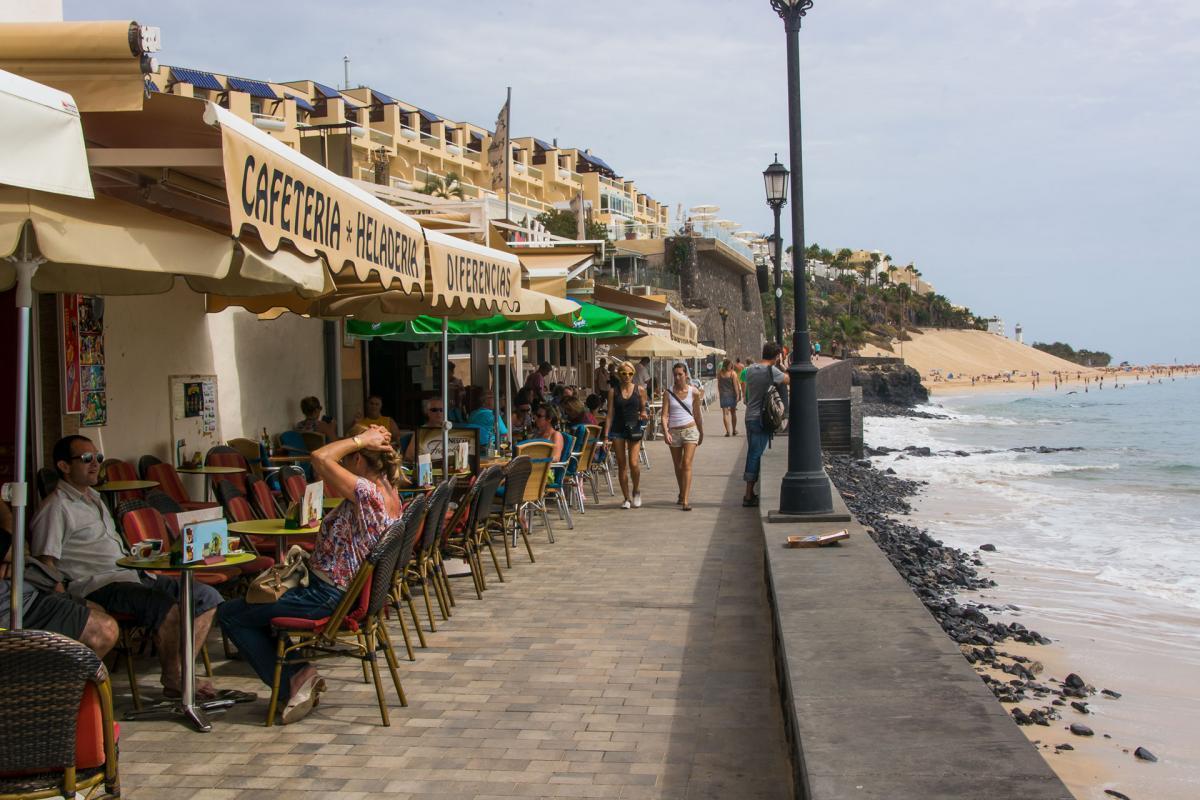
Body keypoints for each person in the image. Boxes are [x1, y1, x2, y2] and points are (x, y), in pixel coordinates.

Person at [217, 424, 402, 724]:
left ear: (357, 461)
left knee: (230, 614)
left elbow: (318, 457)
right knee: (259, 604)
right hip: (337, 591)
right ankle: (298, 672)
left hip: (327, 596)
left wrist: (359, 440)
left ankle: (292, 679)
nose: (341, 464)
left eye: (347, 458)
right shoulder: (390, 491)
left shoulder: (367, 492)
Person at [31, 435, 232, 701]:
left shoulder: (94, 498)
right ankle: (177, 680)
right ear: (64, 466)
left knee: (206, 598)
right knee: (168, 607)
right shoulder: (55, 508)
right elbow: (45, 564)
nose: (95, 465)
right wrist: (66, 601)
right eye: (86, 459)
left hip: (133, 573)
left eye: (98, 458)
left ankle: (179, 674)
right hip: (99, 585)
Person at [1, 499, 118, 657]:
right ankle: (54, 679)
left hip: (26, 591)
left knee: (98, 611)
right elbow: (19, 550)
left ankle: (57, 676)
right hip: (13, 607)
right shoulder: (57, 505)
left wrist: (14, 558)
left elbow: (21, 550)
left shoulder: (93, 498)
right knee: (104, 630)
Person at [742, 343, 790, 507]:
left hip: (749, 416)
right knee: (755, 454)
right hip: (761, 419)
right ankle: (748, 495)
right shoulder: (772, 371)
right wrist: (783, 365)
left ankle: (750, 492)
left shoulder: (750, 369)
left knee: (752, 452)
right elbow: (788, 379)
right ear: (776, 356)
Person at [602, 361, 649, 510]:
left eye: (630, 373)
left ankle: (636, 490)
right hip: (617, 429)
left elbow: (644, 409)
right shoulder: (613, 391)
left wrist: (643, 414)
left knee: (634, 463)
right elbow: (610, 414)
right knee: (622, 465)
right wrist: (606, 436)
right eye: (623, 373)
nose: (627, 376)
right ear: (618, 374)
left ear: (633, 374)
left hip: (634, 428)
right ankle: (626, 498)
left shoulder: (640, 390)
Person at [662, 363, 704, 511]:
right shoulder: (668, 393)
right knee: (678, 465)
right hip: (674, 432)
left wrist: (701, 431)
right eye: (675, 375)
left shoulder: (694, 392)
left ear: (686, 375)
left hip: (690, 430)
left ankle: (685, 499)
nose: (678, 377)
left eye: (680, 374)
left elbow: (698, 414)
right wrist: (666, 432)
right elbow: (664, 415)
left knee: (686, 464)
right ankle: (681, 493)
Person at [404, 397, 445, 463]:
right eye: (434, 410)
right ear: (427, 412)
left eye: (441, 410)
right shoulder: (421, 431)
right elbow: (409, 456)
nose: (438, 413)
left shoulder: (450, 430)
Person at [717, 359, 742, 437]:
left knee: (725, 414)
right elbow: (735, 386)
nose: (731, 366)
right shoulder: (732, 373)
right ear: (729, 365)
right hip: (732, 395)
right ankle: (734, 430)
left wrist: (720, 393)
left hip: (723, 395)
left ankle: (728, 431)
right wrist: (738, 395)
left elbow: (719, 385)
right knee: (733, 412)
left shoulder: (720, 373)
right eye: (730, 365)